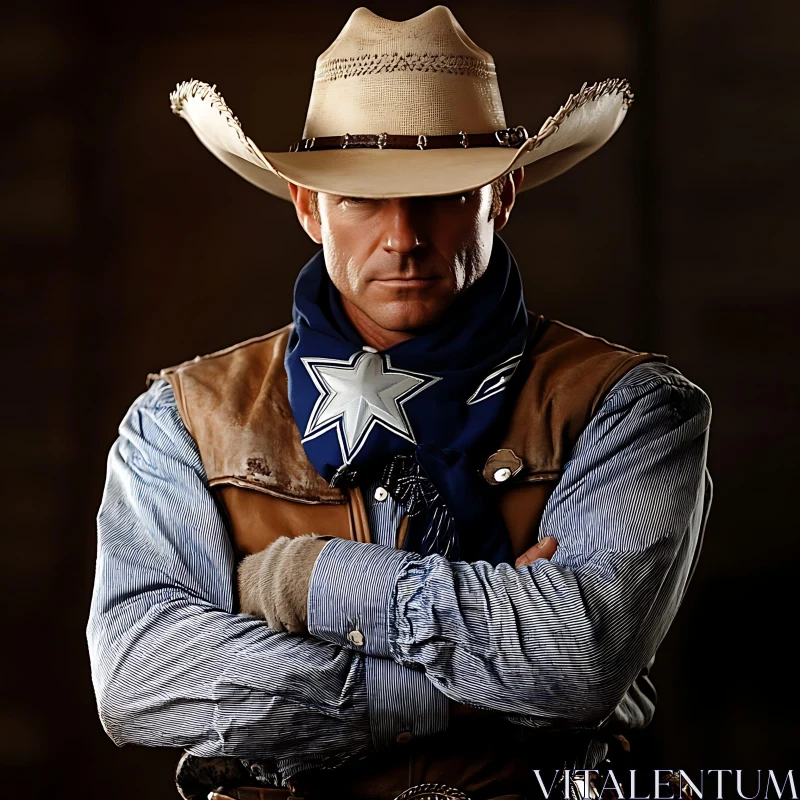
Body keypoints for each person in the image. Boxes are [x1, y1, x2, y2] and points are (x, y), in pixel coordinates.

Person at [86, 6, 712, 800]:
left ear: (503, 195)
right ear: (309, 207)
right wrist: (469, 687)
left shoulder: (630, 406)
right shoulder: (184, 418)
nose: (404, 237)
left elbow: (578, 659)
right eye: (362, 201)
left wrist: (306, 582)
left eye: (445, 196)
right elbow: (140, 674)